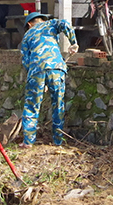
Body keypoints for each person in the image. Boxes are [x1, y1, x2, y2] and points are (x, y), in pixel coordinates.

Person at [19, 12, 78, 147]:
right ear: (41, 20)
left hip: (36, 71)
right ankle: (57, 141)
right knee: (58, 105)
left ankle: (28, 142)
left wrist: (37, 80)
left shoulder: (27, 35)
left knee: (32, 106)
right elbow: (65, 24)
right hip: (57, 69)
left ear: (29, 24)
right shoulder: (50, 24)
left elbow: (25, 61)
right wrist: (73, 42)